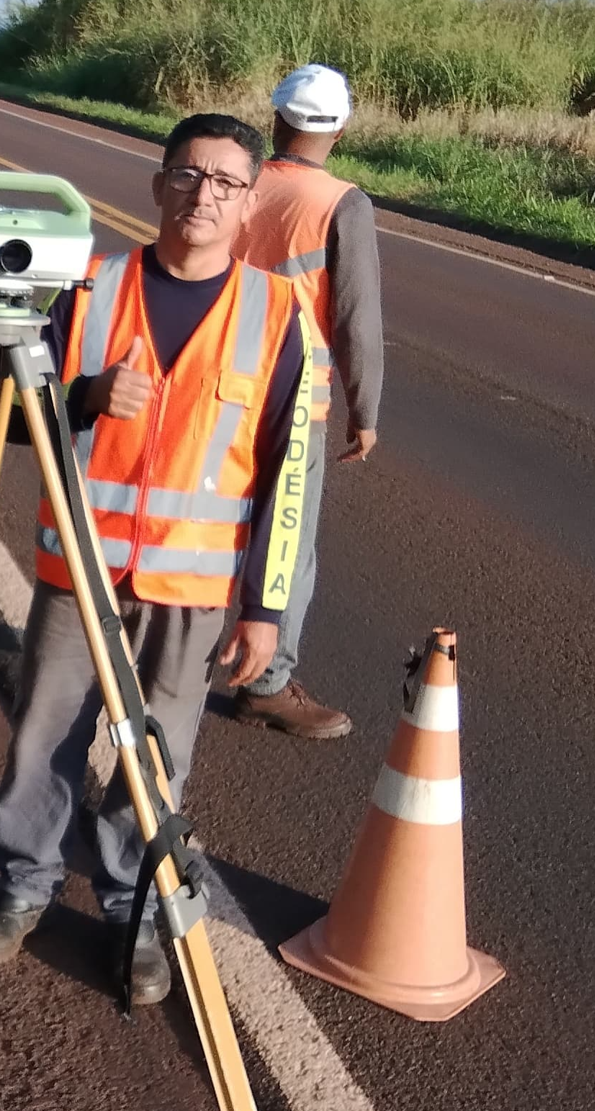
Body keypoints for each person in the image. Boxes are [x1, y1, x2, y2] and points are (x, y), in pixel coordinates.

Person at [0, 113, 310, 1007]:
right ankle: (23, 886)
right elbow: (4, 408)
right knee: (44, 736)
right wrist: (81, 395)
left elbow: (291, 478)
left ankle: (134, 909)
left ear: (249, 203)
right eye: (188, 174)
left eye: (226, 182)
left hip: (192, 588)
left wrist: (266, 609)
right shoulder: (88, 288)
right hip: (80, 569)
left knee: (155, 757)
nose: (204, 195)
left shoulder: (278, 315)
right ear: (159, 184)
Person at [227, 63, 384, 740]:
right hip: (290, 398)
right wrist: (365, 411)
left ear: (276, 119)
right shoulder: (342, 203)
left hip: (216, 383)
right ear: (341, 130)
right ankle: (265, 684)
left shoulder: (233, 180)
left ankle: (163, 658)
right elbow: (356, 319)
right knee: (285, 546)